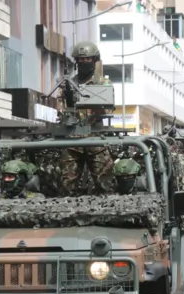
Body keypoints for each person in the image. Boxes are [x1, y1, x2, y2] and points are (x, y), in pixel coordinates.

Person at [59, 41, 114, 196]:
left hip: (96, 139)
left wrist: (91, 103)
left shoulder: (103, 83)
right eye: (80, 59)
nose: (84, 62)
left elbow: (107, 109)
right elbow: (60, 111)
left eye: (87, 59)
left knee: (105, 183)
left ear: (95, 60)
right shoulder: (68, 84)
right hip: (72, 140)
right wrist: (68, 101)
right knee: (67, 185)